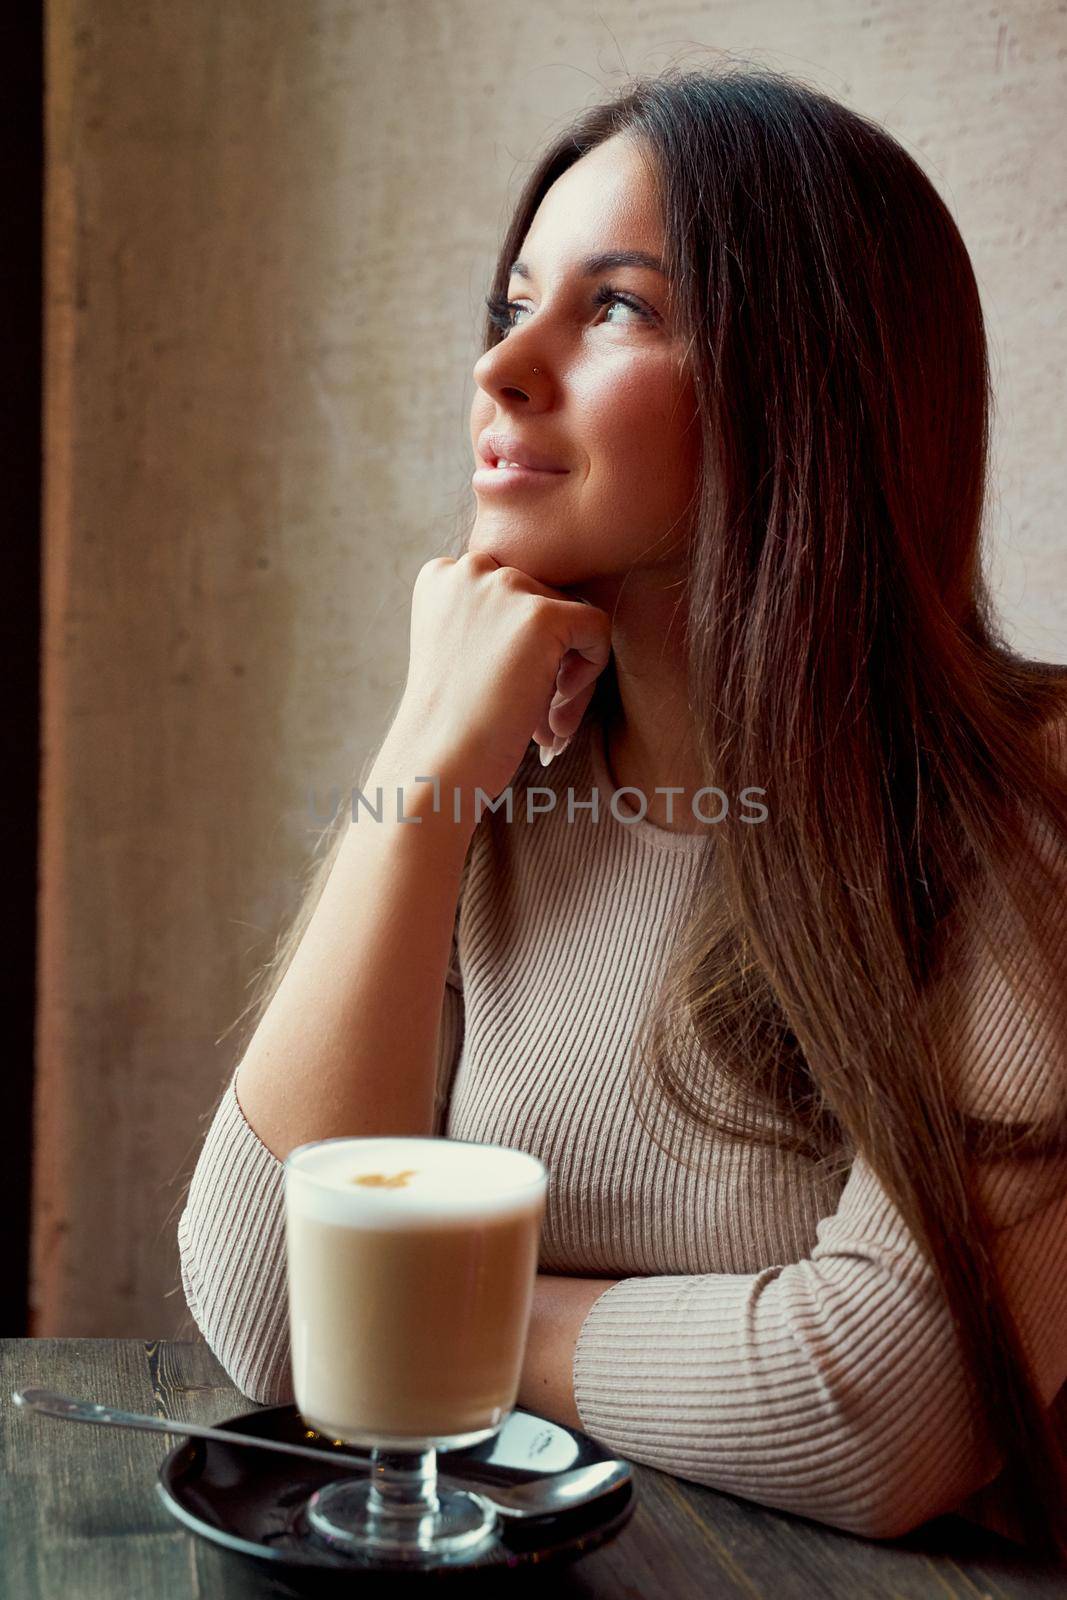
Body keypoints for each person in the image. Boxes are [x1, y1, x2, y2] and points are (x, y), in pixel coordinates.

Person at [177, 64, 1067, 1555]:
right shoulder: (483, 774)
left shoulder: (1029, 793)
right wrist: (421, 763)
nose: (503, 369)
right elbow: (268, 1314)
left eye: (617, 309)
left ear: (811, 376)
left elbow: (882, 1406)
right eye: (509, 305)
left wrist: (425, 1314)